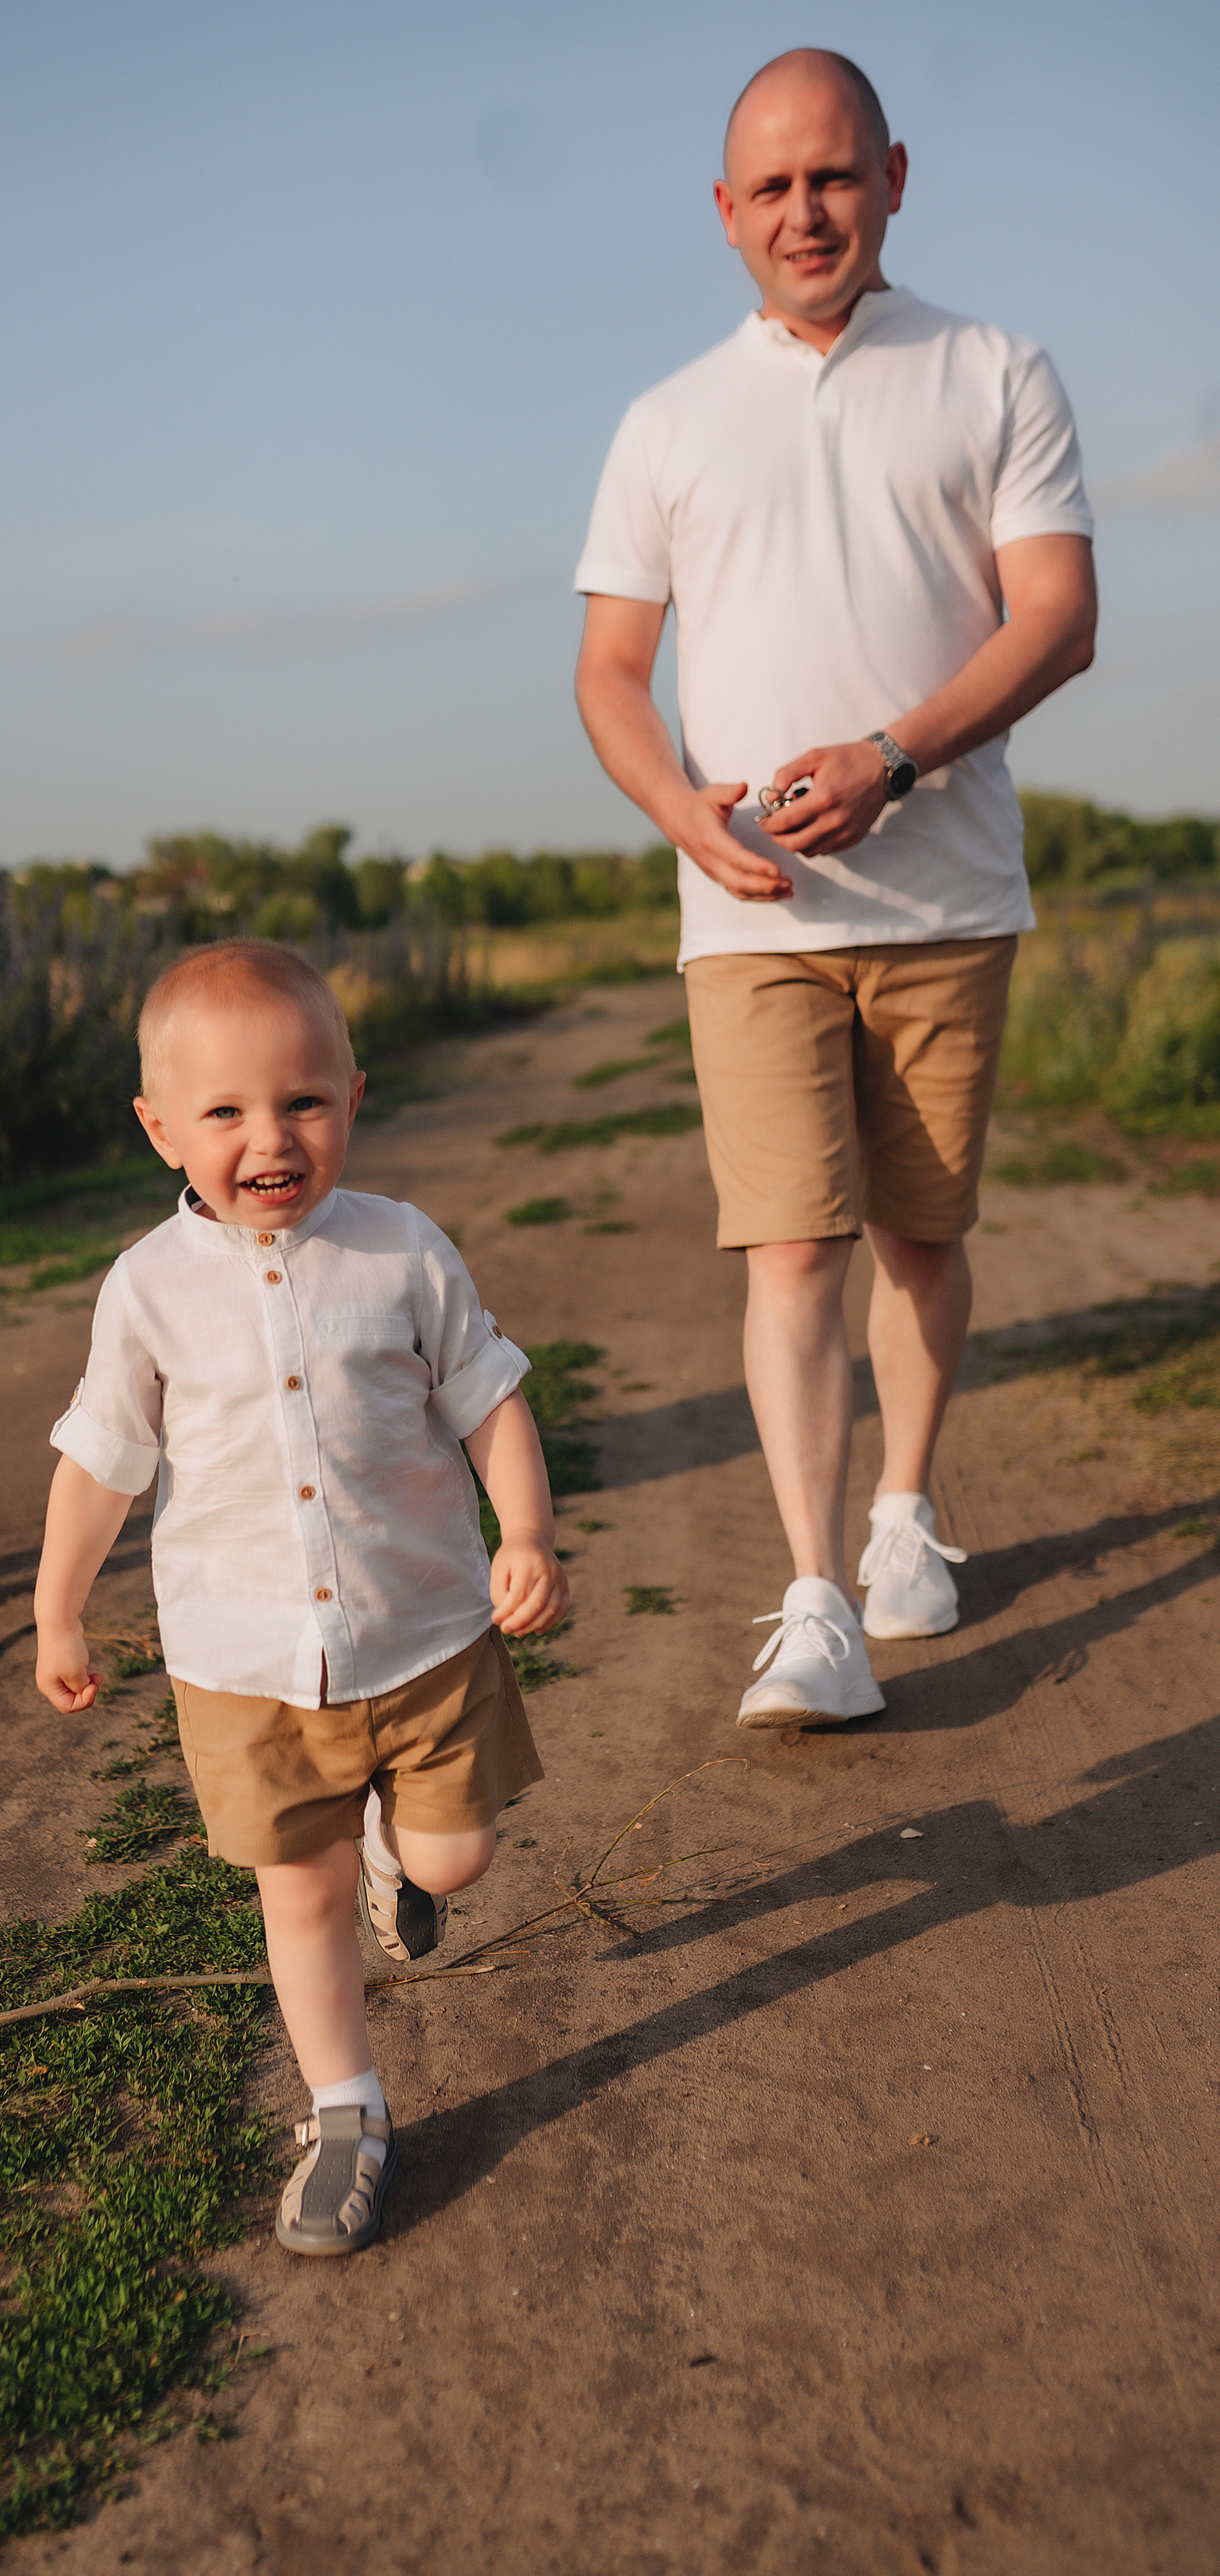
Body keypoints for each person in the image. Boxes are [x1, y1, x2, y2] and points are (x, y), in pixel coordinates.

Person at [573, 50, 1096, 1727]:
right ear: (722, 215)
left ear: (891, 173)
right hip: (754, 919)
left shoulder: (990, 368)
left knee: (917, 1237)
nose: (806, 211)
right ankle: (812, 1599)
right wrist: (677, 811)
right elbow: (604, 671)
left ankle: (902, 1513)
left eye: (834, 176)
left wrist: (892, 752)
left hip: (944, 901)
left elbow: (1054, 618)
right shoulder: (664, 421)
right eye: (771, 187)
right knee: (789, 1249)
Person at [32, 941, 569, 2254]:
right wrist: (58, 1607)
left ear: (354, 1096)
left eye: (303, 1102)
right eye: (225, 1112)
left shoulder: (402, 1251)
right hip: (247, 1667)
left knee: (458, 1853)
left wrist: (530, 1528)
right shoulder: (148, 1289)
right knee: (300, 1898)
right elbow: (103, 1457)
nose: (270, 1136)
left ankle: (404, 1854)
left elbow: (488, 1398)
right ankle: (347, 2109)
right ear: (160, 1127)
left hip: (427, 1637)